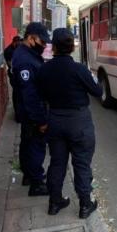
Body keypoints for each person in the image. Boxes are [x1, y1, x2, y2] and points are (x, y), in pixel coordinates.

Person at [36, 28, 102, 217]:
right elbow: (97, 92)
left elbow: (40, 97)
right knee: (81, 164)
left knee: (57, 163)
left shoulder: (44, 69)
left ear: (53, 47)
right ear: (72, 47)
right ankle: (84, 205)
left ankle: (54, 203)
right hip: (79, 122)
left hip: (55, 120)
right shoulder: (79, 69)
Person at [11, 22, 50, 196]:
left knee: (27, 144)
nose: (44, 46)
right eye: (41, 42)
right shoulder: (25, 60)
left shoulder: (26, 54)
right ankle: (36, 183)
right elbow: (30, 95)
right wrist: (40, 120)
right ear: (31, 38)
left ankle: (28, 175)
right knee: (35, 146)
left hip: (27, 111)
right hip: (32, 113)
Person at [4, 35, 22, 119]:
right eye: (17, 43)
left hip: (19, 74)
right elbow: (10, 64)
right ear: (14, 42)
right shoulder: (8, 50)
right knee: (16, 94)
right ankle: (18, 115)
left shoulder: (19, 48)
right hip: (13, 75)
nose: (19, 44)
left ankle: (20, 113)